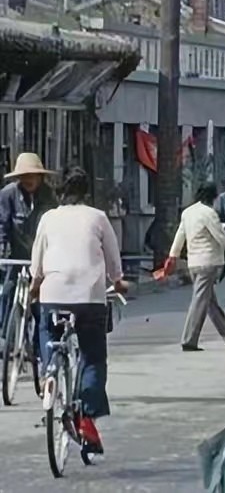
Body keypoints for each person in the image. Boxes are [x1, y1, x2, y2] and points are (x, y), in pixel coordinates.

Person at [30, 167, 126, 455]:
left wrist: (35, 285)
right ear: (87, 192)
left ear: (60, 191)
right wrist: (118, 281)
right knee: (93, 358)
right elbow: (113, 259)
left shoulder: (48, 218)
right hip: (89, 299)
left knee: (47, 330)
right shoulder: (98, 217)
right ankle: (86, 415)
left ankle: (48, 371)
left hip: (53, 294)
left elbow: (37, 262)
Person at [166, 183, 225, 352]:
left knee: (209, 301)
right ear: (213, 197)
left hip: (193, 262)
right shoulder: (209, 213)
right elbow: (220, 235)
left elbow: (180, 235)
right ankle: (189, 339)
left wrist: (173, 255)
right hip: (207, 262)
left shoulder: (188, 212)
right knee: (200, 301)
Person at [0, 153, 58, 332]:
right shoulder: (8, 194)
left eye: (32, 175)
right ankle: (6, 336)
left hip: (42, 259)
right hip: (16, 257)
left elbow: (55, 227)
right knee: (7, 294)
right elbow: (2, 225)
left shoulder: (49, 196)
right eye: (24, 176)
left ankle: (41, 341)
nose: (28, 180)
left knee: (42, 305)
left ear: (40, 177)